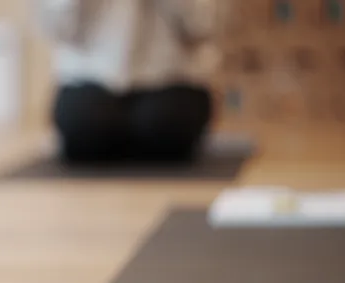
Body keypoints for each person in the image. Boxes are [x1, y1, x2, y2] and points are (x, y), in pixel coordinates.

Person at [34, 0, 221, 163]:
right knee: (84, 123)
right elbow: (56, 27)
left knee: (167, 122)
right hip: (89, 81)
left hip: (169, 80)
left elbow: (203, 24)